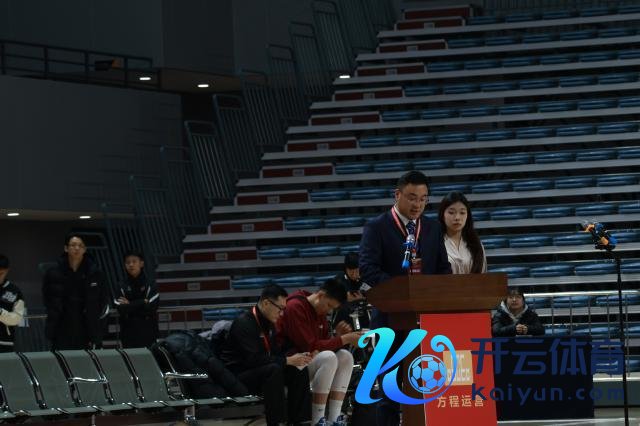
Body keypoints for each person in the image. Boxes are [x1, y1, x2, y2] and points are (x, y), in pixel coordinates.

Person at [359, 170, 452, 425]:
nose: (417, 205)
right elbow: (368, 269)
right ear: (397, 195)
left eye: (423, 199)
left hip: (426, 321)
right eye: (412, 198)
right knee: (389, 392)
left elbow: (443, 269)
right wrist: (404, 290)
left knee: (427, 388)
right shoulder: (376, 227)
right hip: (388, 319)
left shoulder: (432, 227)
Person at [221, 284, 312, 426]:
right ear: (266, 303)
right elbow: (253, 360)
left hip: (260, 370)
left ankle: (300, 420)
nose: (281, 314)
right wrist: (287, 360)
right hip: (238, 375)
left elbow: (274, 353)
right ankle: (277, 422)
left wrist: (296, 358)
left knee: (298, 369)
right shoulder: (244, 323)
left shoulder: (269, 323)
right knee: (273, 370)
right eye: (280, 308)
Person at [278, 279, 363, 426]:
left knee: (345, 356)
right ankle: (318, 420)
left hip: (307, 361)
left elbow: (321, 346)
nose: (329, 311)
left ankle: (334, 417)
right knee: (328, 357)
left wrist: (336, 337)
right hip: (290, 366)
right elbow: (310, 346)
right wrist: (344, 339)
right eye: (329, 305)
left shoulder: (319, 310)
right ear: (321, 295)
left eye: (332, 308)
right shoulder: (295, 307)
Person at [42, 233, 110, 350]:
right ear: (66, 248)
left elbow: (103, 301)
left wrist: (97, 324)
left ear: (84, 249)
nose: (77, 248)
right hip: (61, 327)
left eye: (80, 245)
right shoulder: (53, 273)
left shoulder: (96, 274)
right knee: (61, 360)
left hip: (87, 329)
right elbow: (47, 298)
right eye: (73, 245)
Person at [114, 250, 159, 348]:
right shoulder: (121, 285)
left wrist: (129, 305)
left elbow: (151, 307)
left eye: (134, 261)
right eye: (128, 262)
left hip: (148, 331)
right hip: (128, 333)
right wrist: (143, 302)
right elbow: (121, 309)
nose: (131, 265)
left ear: (141, 263)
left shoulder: (151, 284)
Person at [438, 191, 487, 274]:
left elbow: (483, 275)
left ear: (467, 216)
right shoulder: (435, 243)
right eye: (451, 212)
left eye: (462, 213)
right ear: (443, 214)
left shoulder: (476, 243)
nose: (457, 217)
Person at [333, 252, 369, 331]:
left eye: (357, 271)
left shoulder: (366, 277)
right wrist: (344, 298)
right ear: (345, 269)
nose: (354, 274)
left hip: (364, 317)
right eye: (351, 271)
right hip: (345, 320)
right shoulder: (338, 280)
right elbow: (331, 300)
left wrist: (364, 297)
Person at [0, 255, 25, 353]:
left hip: (5, 342)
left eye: (1, 273)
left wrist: (1, 313)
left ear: (7, 271)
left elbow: (17, 318)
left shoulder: (15, 291)